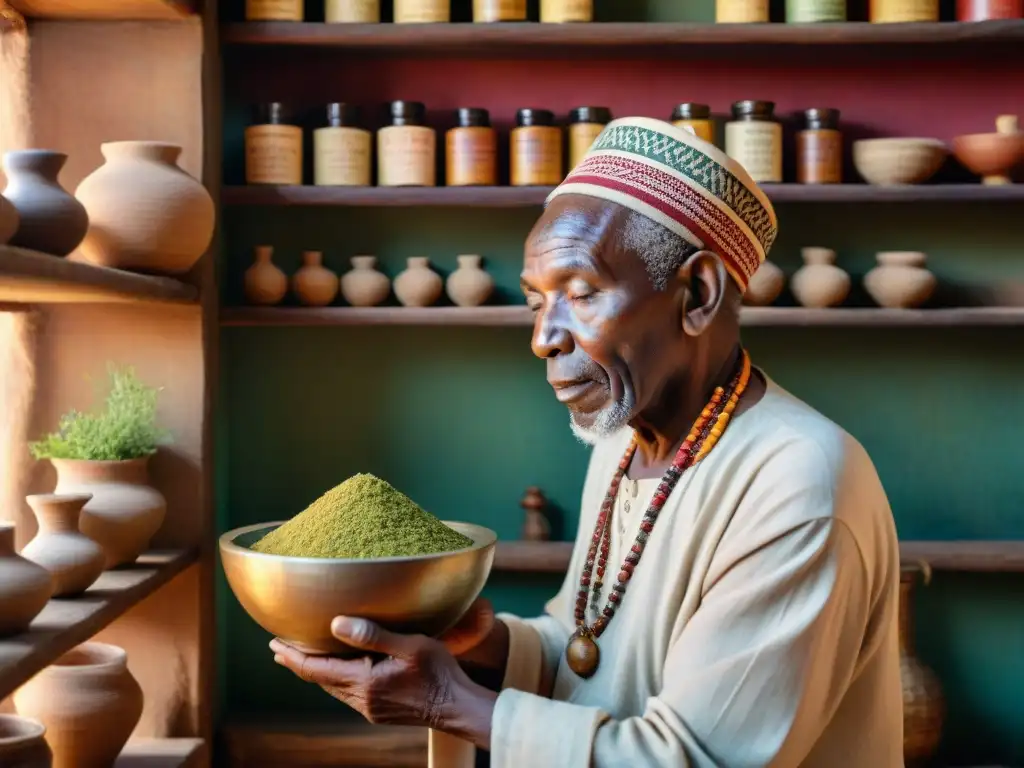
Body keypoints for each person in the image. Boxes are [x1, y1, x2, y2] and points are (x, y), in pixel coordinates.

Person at [271, 117, 903, 767]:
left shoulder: (801, 479)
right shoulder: (623, 440)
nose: (544, 337)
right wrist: (476, 649)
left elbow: (698, 758)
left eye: (581, 293)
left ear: (698, 294)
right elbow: (585, 648)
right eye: (536, 302)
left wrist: (448, 704)